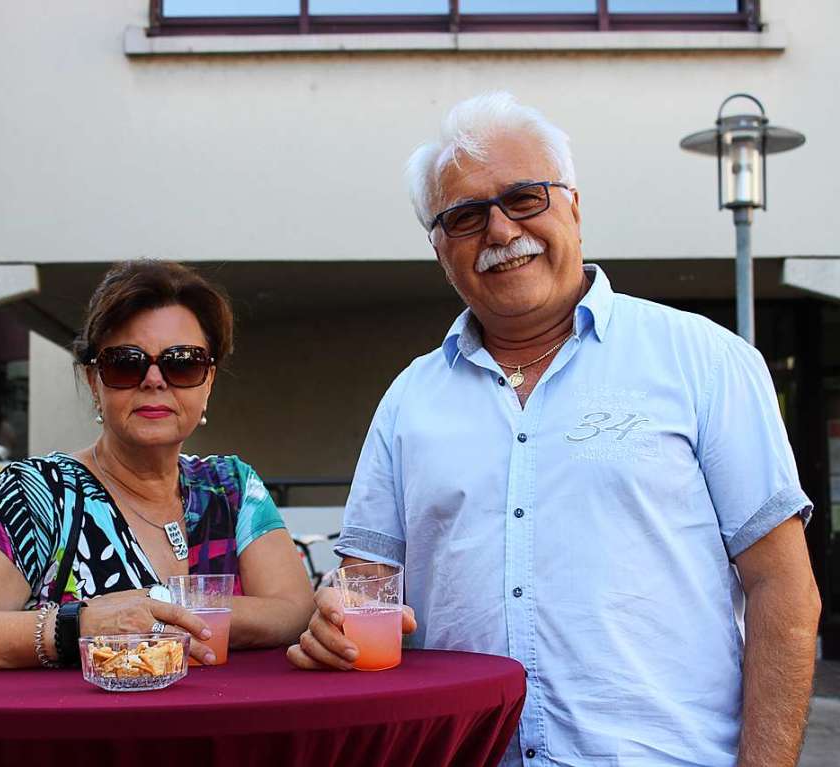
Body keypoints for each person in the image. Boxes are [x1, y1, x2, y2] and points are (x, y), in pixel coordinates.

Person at [288, 92, 821, 767]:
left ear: (573, 202)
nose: (502, 232)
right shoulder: (407, 401)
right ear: (437, 246)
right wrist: (332, 615)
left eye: (524, 198)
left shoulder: (704, 362)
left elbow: (781, 585)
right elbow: (364, 584)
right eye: (464, 216)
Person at [0, 259, 314, 675]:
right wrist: (79, 626)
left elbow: (294, 612)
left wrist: (153, 608)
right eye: (126, 363)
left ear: (208, 381)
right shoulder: (41, 495)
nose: (154, 380)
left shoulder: (232, 487)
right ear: (94, 381)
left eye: (182, 362)